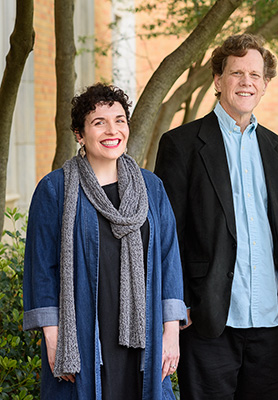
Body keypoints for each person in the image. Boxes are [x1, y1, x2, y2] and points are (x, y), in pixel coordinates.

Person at [154, 33, 278, 400]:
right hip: (208, 319)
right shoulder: (181, 145)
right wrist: (177, 305)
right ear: (218, 80)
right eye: (236, 73)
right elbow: (165, 235)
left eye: (255, 75)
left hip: (273, 321)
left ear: (266, 85)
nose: (246, 82)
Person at [23, 83, 187, 399]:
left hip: (143, 335)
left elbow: (169, 260)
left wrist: (171, 334)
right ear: (79, 134)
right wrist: (56, 340)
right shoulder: (55, 190)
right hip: (83, 332)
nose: (112, 130)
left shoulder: (150, 187)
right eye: (99, 122)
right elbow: (41, 268)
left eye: (119, 120)